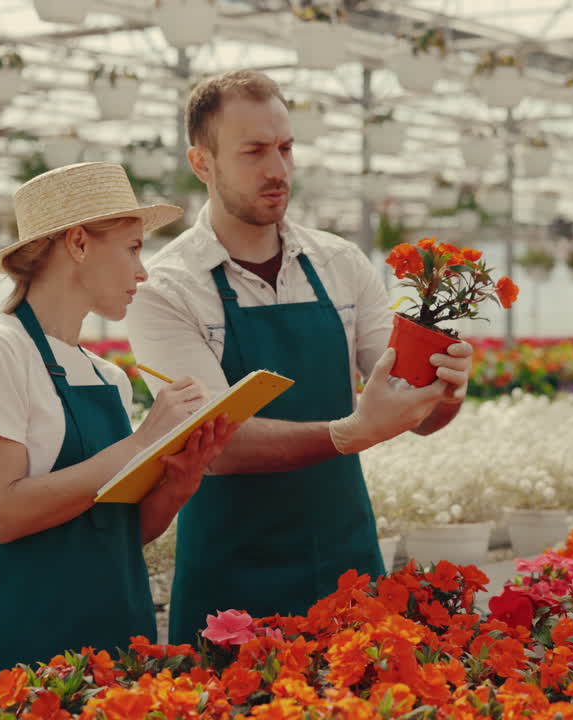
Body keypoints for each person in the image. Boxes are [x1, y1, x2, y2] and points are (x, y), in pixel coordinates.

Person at [125, 70, 474, 646]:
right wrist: (350, 431)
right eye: (254, 151)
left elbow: (413, 410)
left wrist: (446, 392)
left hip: (346, 558)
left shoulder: (341, 264)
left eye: (286, 148)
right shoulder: (167, 288)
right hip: (231, 579)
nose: (279, 170)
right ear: (201, 162)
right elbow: (216, 442)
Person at [0, 163, 236, 720]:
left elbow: (119, 532)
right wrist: (142, 441)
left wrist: (179, 482)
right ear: (77, 243)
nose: (142, 272)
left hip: (114, 647)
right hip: (24, 658)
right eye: (131, 248)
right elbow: (2, 512)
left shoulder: (107, 378)